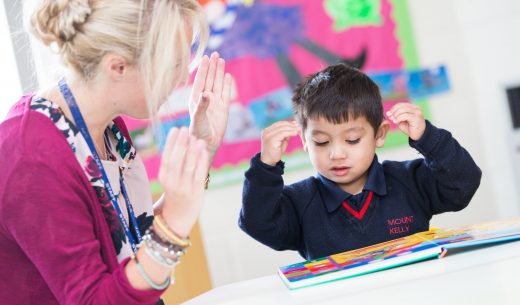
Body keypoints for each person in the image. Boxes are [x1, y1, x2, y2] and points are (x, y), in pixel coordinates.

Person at [0, 1, 233, 304]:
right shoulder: (30, 158)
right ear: (118, 66)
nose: (180, 80)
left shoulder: (108, 129)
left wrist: (201, 147)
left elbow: (132, 236)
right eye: (171, 65)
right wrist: (174, 222)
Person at [238, 63, 481, 260]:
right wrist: (265, 167)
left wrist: (429, 137)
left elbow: (464, 183)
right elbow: (257, 223)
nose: (337, 154)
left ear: (379, 134)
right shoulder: (299, 202)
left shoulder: (409, 181)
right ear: (304, 140)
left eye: (352, 140)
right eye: (322, 142)